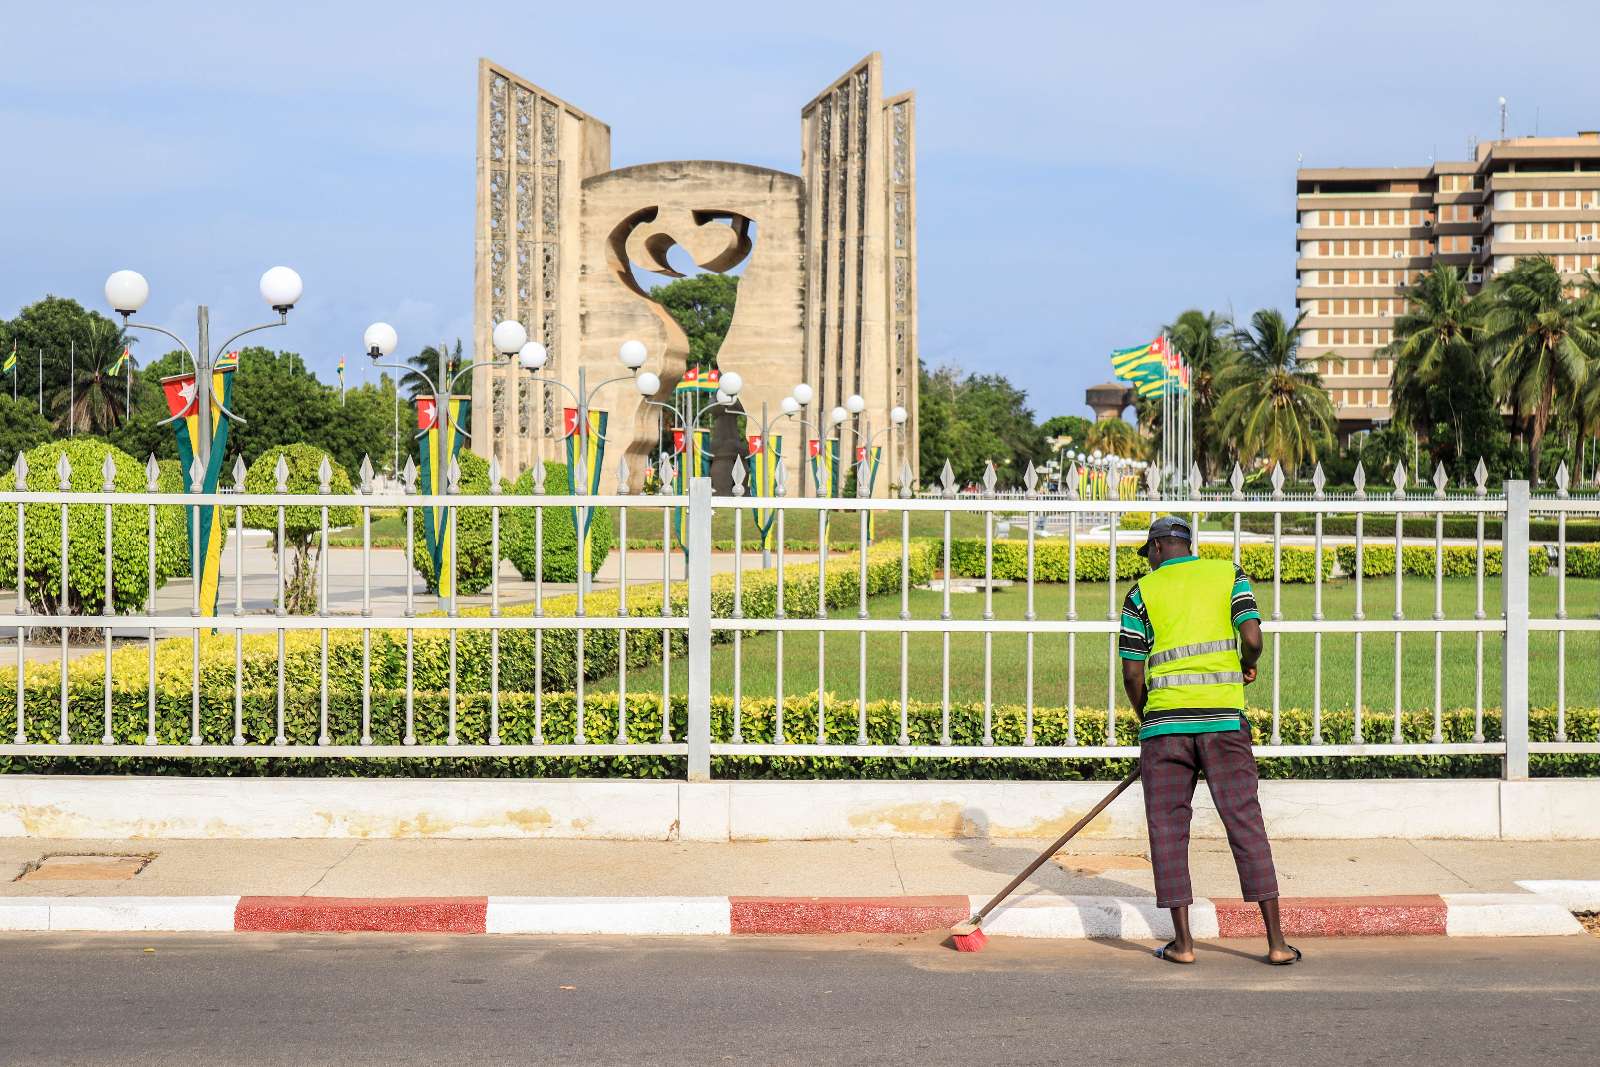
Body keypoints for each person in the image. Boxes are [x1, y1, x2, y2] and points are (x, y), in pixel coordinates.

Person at [1119, 515, 1300, 966]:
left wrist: (1149, 719)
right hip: (1224, 722)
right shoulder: (1228, 574)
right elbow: (1253, 636)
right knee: (1245, 822)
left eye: (1150, 552)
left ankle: (1183, 945)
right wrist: (1247, 661)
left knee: (1167, 830)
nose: (1151, 560)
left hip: (1166, 730)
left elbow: (1132, 670)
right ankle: (1276, 943)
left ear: (1158, 548)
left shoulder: (1142, 592)